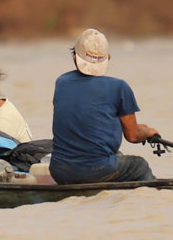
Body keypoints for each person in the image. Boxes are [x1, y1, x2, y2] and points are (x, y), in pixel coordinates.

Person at [48, 28, 159, 184]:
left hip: (59, 171)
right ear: (108, 58)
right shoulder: (119, 87)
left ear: (75, 58)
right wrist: (148, 132)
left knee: (117, 157)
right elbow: (133, 135)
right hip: (97, 169)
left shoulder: (61, 83)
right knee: (140, 165)